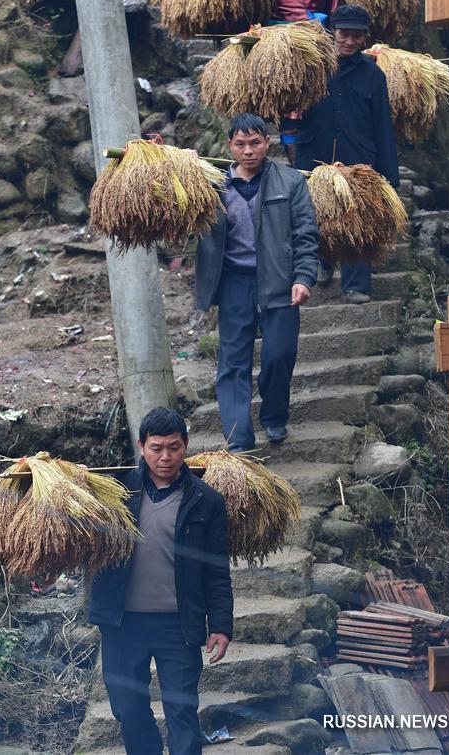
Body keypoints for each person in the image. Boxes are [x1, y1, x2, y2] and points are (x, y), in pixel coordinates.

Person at [89, 407, 233, 755]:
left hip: (177, 624)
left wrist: (221, 624)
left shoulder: (205, 501)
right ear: (141, 446)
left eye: (174, 447)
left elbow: (216, 570)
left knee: (182, 710)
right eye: (156, 448)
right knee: (127, 707)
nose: (165, 457)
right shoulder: (115, 493)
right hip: (123, 622)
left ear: (186, 446)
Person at [195, 113, 319, 452]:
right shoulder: (213, 186)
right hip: (234, 282)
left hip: (279, 281)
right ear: (230, 146)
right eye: (240, 144)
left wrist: (304, 278)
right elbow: (172, 205)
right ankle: (239, 439)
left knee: (280, 354)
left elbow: (306, 235)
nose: (248, 151)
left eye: (255, 142)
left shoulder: (290, 182)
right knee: (233, 362)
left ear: (267, 142)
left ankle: (275, 414)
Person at [292, 4, 400, 303]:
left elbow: (382, 126)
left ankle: (356, 286)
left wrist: (389, 174)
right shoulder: (313, 67)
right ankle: (324, 262)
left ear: (365, 38)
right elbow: (287, 107)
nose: (349, 41)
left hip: (360, 157)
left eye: (356, 36)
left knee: (359, 221)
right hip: (316, 152)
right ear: (332, 33)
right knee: (318, 216)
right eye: (344, 34)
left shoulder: (374, 76)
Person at [264, 0, 346, 164]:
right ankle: (290, 164)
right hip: (278, 49)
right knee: (285, 106)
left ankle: (304, 166)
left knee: (308, 108)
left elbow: (337, 17)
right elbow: (257, 11)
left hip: (313, 52)